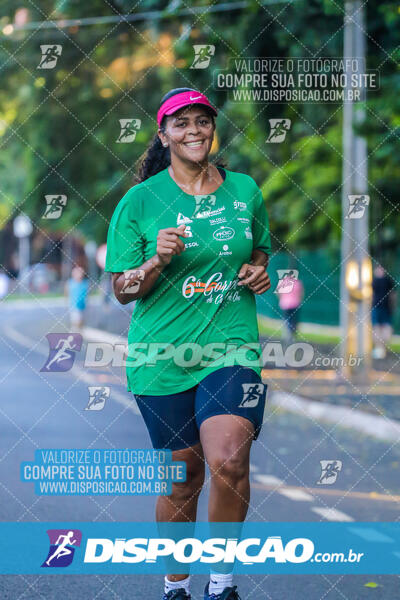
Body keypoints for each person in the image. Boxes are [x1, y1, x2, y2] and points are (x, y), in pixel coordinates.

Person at [105, 88, 272, 600]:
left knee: (228, 459)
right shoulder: (140, 201)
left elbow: (260, 247)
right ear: (164, 135)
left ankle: (221, 585)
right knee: (184, 479)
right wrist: (155, 262)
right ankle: (176, 584)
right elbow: (121, 290)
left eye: (202, 121)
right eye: (181, 124)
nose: (193, 131)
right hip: (162, 357)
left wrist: (259, 270)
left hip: (232, 346)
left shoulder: (244, 189)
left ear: (212, 128)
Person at [371, 265, 396, 359]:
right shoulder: (387, 280)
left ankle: (380, 349)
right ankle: (381, 349)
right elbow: (393, 295)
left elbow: (393, 295)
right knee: (380, 327)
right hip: (381, 307)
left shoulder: (376, 281)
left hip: (381, 307)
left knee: (381, 328)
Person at [277, 272, 303, 343]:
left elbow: (279, 293)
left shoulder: (283, 282)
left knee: (287, 319)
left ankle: (288, 333)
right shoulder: (297, 283)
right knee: (293, 320)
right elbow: (301, 293)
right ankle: (292, 334)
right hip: (295, 303)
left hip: (285, 304)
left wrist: (281, 299)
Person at [66, 265, 89, 330]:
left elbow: (87, 294)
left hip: (83, 306)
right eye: (77, 273)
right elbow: (67, 293)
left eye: (81, 273)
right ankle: (74, 331)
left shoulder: (85, 283)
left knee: (82, 321)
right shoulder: (71, 283)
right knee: (76, 321)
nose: (79, 274)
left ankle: (80, 330)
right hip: (74, 306)